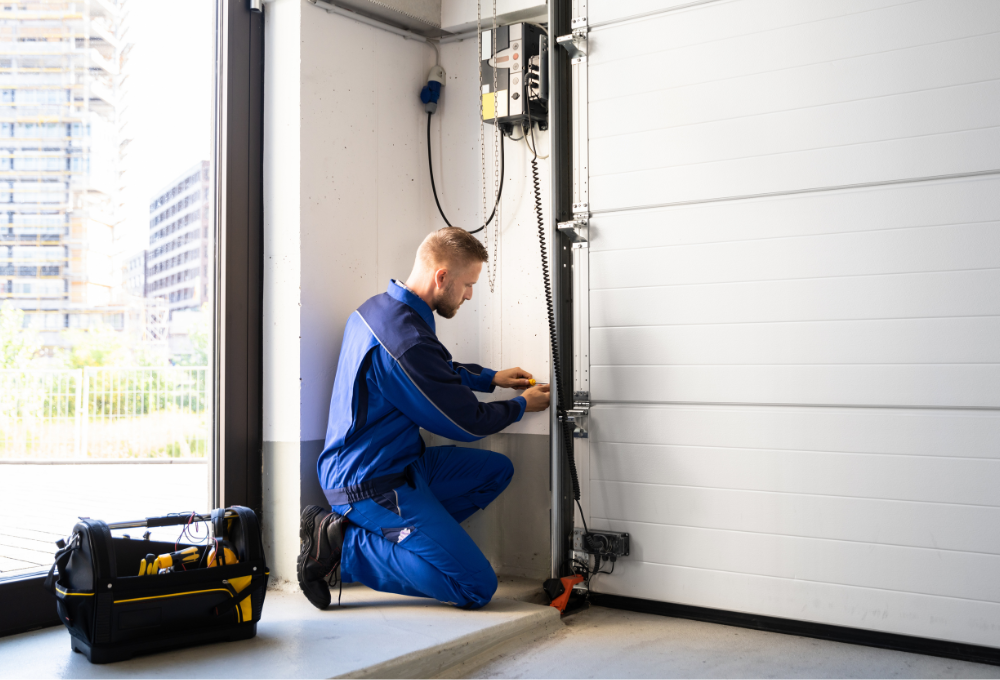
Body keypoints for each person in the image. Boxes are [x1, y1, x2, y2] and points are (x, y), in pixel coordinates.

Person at [298, 227, 551, 610]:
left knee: (495, 471)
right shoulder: (404, 341)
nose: (469, 295)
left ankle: (412, 543)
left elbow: (434, 371)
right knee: (476, 587)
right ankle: (344, 547)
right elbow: (467, 423)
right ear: (442, 277)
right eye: (468, 284)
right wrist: (519, 406)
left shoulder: (380, 310)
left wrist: (491, 378)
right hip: (369, 483)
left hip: (402, 464)